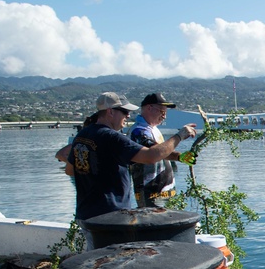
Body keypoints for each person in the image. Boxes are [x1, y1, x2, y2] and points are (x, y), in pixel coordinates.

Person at [66, 92, 196, 226]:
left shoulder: (82, 135)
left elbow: (70, 170)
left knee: (96, 247)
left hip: (85, 214)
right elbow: (150, 156)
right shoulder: (112, 137)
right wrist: (180, 136)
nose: (128, 116)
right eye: (124, 112)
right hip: (111, 214)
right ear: (110, 112)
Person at [129, 93, 179, 208]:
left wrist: (180, 157)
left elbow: (163, 154)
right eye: (162, 112)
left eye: (166, 113)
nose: (164, 116)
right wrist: (179, 136)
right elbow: (155, 153)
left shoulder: (153, 129)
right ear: (149, 108)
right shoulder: (139, 131)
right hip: (150, 195)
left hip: (164, 193)